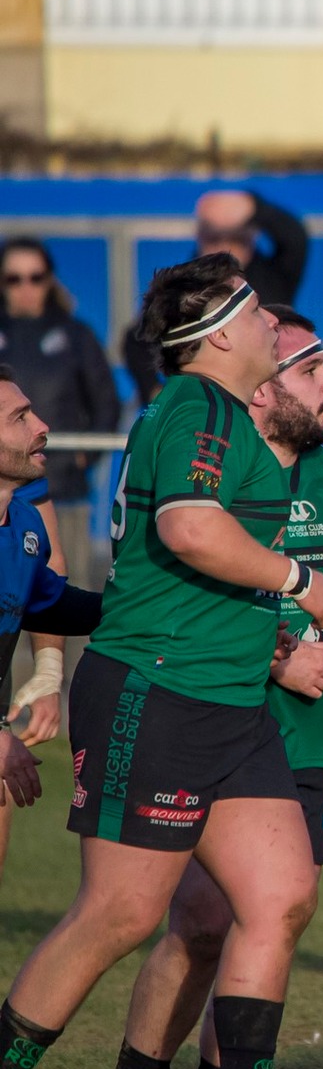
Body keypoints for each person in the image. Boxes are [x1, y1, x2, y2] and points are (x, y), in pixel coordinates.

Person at [0, 257, 323, 1069]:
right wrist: (295, 582)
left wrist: (273, 638)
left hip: (229, 700)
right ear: (223, 333)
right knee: (117, 915)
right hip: (154, 690)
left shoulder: (234, 417)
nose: (280, 325)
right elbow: (193, 529)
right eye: (261, 311)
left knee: (280, 895)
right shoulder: (193, 407)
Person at [83, 309, 323, 1069]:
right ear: (264, 380)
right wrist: (277, 657)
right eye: (312, 366)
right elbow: (171, 584)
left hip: (290, 741)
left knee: (273, 916)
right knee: (193, 923)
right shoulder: (204, 451)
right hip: (198, 710)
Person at [0, 366, 103, 901]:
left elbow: (53, 604)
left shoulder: (23, 524)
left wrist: (144, 604)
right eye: (20, 416)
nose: (42, 425)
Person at [0, 238, 122, 588]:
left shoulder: (76, 335)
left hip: (62, 489)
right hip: (4, 496)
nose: (25, 288)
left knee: (64, 592)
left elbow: (105, 401)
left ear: (49, 280)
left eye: (35, 277)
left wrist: (88, 453)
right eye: (14, 278)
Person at [124, 190, 310, 409]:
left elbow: (296, 240)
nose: (224, 245)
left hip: (271, 395)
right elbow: (137, 340)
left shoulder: (273, 278)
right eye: (213, 236)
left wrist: (254, 207)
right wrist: (155, 392)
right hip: (212, 401)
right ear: (200, 237)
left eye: (235, 236)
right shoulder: (188, 286)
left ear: (252, 236)